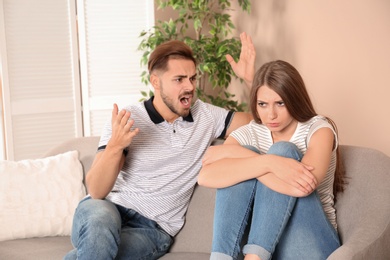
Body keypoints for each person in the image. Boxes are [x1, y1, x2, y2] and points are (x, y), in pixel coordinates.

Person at [64, 32, 255, 260]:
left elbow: (261, 121)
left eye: (192, 78)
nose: (189, 87)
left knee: (98, 251)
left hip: (153, 229)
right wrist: (115, 147)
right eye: (179, 79)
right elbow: (96, 191)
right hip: (106, 208)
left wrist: (251, 81)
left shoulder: (206, 116)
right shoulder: (129, 117)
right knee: (99, 229)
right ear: (155, 81)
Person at [198, 60, 346, 260]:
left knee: (283, 151)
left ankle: (254, 257)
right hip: (272, 245)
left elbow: (304, 185)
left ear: (294, 99)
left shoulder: (319, 129)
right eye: (263, 105)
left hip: (311, 242)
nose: (271, 114)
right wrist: (269, 163)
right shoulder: (251, 132)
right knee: (255, 160)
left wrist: (265, 161)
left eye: (280, 103)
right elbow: (206, 176)